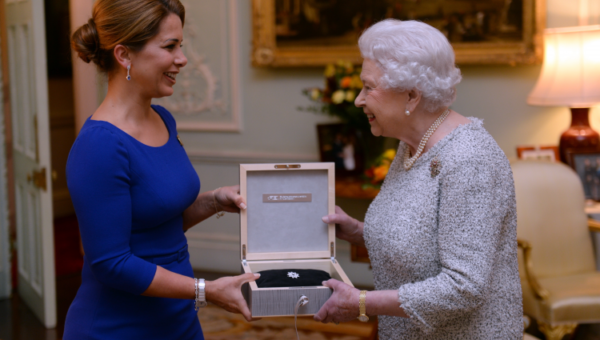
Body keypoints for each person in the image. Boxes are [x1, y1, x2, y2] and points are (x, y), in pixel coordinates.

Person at [314, 19, 523, 339]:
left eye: (369, 87)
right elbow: (424, 241)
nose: (359, 99)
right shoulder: (413, 145)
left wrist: (361, 302)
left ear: (411, 96)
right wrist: (358, 232)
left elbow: (464, 288)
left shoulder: (471, 160)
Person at [64, 1, 257, 339]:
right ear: (124, 55)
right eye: (170, 46)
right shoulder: (100, 145)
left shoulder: (163, 119)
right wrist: (205, 290)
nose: (182, 59)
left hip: (177, 317)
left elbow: (158, 228)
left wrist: (213, 201)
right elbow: (112, 263)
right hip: (119, 327)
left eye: (180, 45)